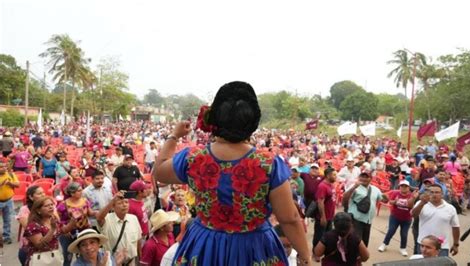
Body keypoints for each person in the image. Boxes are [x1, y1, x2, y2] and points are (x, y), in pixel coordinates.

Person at [154, 81, 310, 265]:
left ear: (215, 119)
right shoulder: (268, 163)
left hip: (204, 246)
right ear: (253, 121)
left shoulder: (194, 157)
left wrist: (174, 136)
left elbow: (159, 172)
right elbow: (289, 218)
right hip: (254, 248)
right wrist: (304, 256)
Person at [411, 183, 460, 257]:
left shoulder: (450, 208)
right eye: (431, 192)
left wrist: (456, 244)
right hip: (424, 245)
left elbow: (455, 227)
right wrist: (422, 203)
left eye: (437, 192)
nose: (434, 194)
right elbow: (413, 215)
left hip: (442, 247)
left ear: (442, 194)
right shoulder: (420, 203)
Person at [24, 197, 76, 265]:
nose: (51, 207)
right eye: (46, 206)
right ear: (38, 210)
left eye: (51, 205)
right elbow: (40, 245)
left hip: (53, 256)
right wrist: (52, 229)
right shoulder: (33, 226)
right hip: (40, 259)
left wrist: (73, 220)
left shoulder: (52, 219)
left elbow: (64, 230)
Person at [97, 192, 142, 265]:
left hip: (131, 262)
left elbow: (138, 241)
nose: (124, 205)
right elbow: (99, 218)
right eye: (120, 203)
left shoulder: (133, 218)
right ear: (113, 207)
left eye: (126, 202)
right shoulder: (107, 219)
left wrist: (140, 260)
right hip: (114, 263)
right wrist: (113, 200)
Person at [57, 182, 97, 266]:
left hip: (83, 232)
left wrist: (96, 213)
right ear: (72, 193)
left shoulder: (85, 201)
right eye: (79, 191)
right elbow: (57, 219)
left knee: (86, 253)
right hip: (69, 233)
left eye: (81, 190)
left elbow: (90, 213)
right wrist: (65, 229)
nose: (81, 192)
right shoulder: (63, 204)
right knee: (68, 255)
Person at [342, 172, 385, 246]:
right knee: (355, 242)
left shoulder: (375, 189)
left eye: (366, 177)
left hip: (368, 221)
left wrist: (386, 198)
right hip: (356, 220)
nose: (364, 178)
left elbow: (383, 200)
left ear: (370, 179)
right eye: (362, 176)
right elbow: (345, 198)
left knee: (364, 243)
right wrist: (354, 187)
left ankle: (361, 256)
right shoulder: (354, 187)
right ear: (359, 177)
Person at [377, 180, 417, 257]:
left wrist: (413, 198)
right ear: (399, 187)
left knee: (404, 234)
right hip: (395, 216)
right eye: (402, 186)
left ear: (408, 188)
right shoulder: (395, 193)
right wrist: (395, 201)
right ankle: (384, 244)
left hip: (407, 218)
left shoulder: (412, 195)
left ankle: (403, 248)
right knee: (391, 231)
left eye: (406, 186)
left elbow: (411, 206)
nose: (403, 188)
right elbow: (390, 202)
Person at [16, 185, 46, 265]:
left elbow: (56, 223)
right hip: (28, 248)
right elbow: (29, 228)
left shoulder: (49, 207)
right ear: (31, 197)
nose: (43, 195)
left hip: (47, 248)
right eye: (39, 193)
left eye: (43, 192)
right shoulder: (24, 210)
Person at [312, 168, 337, 256]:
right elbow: (320, 202)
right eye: (334, 175)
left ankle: (325, 251)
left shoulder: (331, 185)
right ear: (328, 175)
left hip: (330, 216)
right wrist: (323, 217)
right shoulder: (322, 186)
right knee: (319, 236)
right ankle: (315, 253)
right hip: (323, 217)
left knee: (328, 235)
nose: (335, 176)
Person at [0, 158, 20, 244]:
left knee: (7, 219)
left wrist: (9, 183)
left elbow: (17, 184)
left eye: (5, 166)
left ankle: (6, 236)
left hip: (8, 200)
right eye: (1, 167)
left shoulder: (11, 174)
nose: (4, 168)